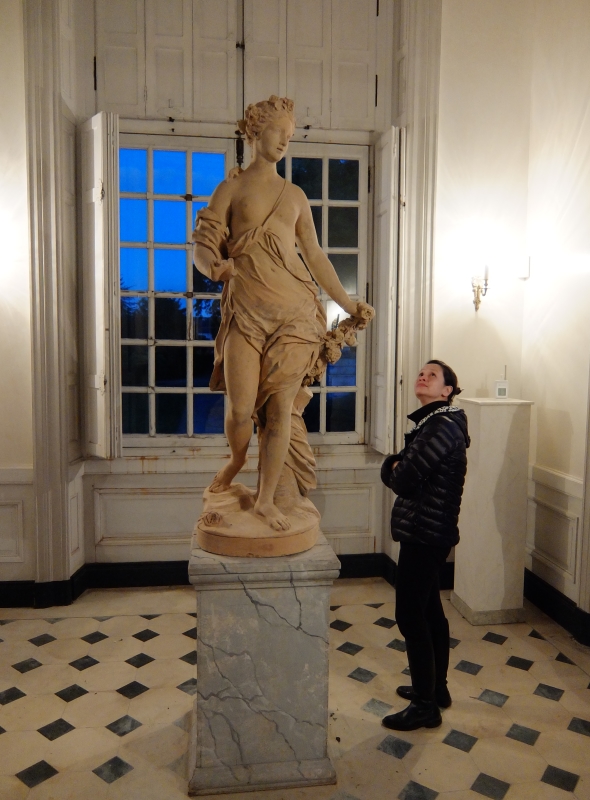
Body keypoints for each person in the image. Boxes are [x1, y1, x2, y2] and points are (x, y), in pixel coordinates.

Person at [192, 96, 373, 532]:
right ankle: (237, 460)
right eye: (279, 132)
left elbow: (315, 256)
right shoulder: (231, 189)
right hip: (246, 313)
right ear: (255, 132)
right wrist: (213, 267)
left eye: (291, 135)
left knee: (279, 411)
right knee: (240, 410)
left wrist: (348, 304)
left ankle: (266, 500)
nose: (285, 141)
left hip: (295, 315)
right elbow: (203, 243)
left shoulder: (295, 196)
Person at [380, 360, 470, 731]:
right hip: (428, 531)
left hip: (425, 534)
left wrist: (391, 463)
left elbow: (403, 479)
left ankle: (424, 706)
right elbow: (409, 474)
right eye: (422, 372)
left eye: (433, 375)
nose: (423, 376)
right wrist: (399, 465)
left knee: (410, 615)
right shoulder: (435, 424)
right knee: (430, 611)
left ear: (447, 391)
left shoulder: (440, 426)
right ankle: (436, 689)